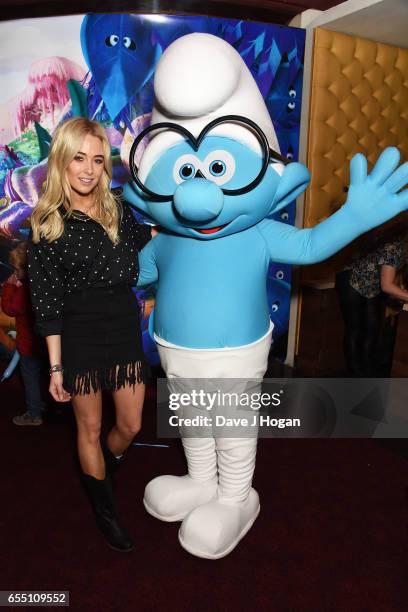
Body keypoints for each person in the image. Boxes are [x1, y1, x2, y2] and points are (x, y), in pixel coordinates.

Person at [28, 117, 151, 553]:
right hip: (77, 335)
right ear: (61, 159)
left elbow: (149, 245)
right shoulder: (47, 225)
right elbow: (47, 305)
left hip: (122, 328)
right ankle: (105, 511)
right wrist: (56, 367)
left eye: (98, 160)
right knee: (90, 427)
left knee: (131, 424)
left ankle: (105, 469)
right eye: (79, 157)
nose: (88, 168)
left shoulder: (119, 207)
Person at [335, 228, 408, 377]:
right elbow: (386, 285)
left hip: (371, 285)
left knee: (372, 329)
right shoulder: (395, 246)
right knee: (355, 329)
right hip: (352, 279)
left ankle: (367, 373)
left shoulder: (403, 248)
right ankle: (356, 374)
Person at [2, 241, 45, 425]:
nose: (15, 272)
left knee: (30, 379)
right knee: (43, 375)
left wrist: (9, 287)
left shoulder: (23, 292)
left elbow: (9, 308)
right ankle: (43, 403)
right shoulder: (42, 286)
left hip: (28, 347)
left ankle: (34, 414)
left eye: (17, 269)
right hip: (44, 344)